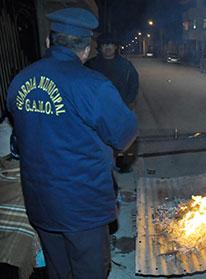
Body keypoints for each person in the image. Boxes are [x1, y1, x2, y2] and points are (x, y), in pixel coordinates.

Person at [6, 8, 138, 278]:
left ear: (48, 42)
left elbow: (18, 142)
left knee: (58, 270)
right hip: (82, 207)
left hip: (40, 203)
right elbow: (125, 135)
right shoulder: (93, 86)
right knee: (90, 271)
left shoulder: (19, 81)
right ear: (88, 49)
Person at [87, 33, 140, 173]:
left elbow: (134, 84)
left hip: (120, 108)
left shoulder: (125, 65)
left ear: (116, 47)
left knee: (123, 138)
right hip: (96, 110)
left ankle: (123, 165)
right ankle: (101, 165)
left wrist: (128, 102)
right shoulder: (91, 65)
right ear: (100, 48)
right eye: (104, 45)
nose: (108, 48)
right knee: (100, 140)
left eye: (111, 45)